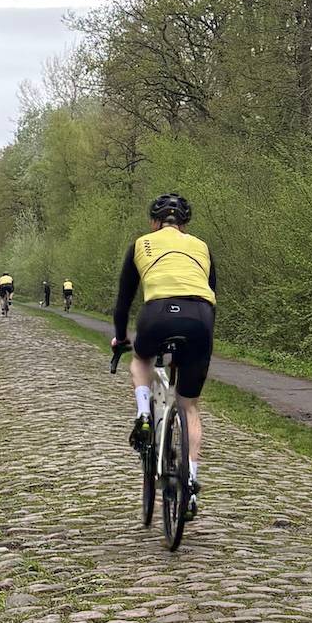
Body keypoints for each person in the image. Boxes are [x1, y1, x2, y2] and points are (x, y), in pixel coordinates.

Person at [110, 191, 215, 516]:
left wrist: (119, 337)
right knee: (190, 406)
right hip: (200, 318)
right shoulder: (201, 246)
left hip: (156, 315)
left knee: (140, 359)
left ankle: (144, 416)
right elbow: (212, 293)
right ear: (185, 224)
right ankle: (192, 487)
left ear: (154, 222)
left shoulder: (142, 244)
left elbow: (123, 301)